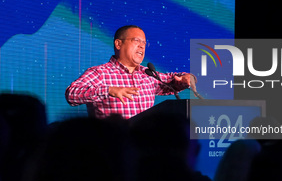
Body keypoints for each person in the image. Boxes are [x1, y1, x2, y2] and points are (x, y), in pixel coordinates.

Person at [65, 25, 193, 119]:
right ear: (118, 44)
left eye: (144, 43)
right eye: (136, 41)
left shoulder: (148, 74)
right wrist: (109, 90)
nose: (142, 46)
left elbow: (174, 80)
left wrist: (187, 78)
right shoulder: (100, 73)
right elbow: (72, 94)